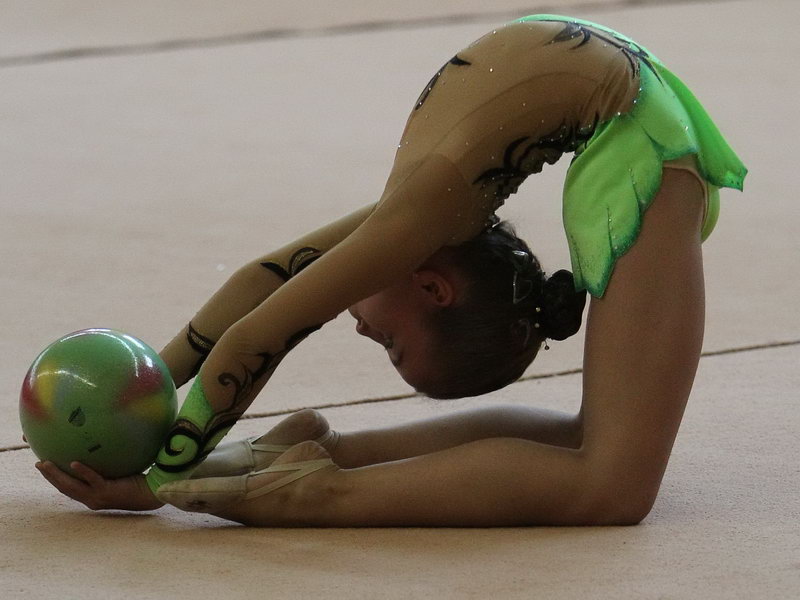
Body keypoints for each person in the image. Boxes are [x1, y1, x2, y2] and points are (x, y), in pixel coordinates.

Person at [35, 15, 746, 526]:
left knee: (604, 468)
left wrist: (160, 466)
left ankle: (317, 482)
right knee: (610, 476)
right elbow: (261, 314)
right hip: (640, 130)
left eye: (387, 345)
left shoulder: (431, 213)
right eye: (391, 343)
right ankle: (317, 473)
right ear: (434, 288)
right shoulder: (418, 224)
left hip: (637, 121)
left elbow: (262, 305)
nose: (362, 331)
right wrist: (151, 412)